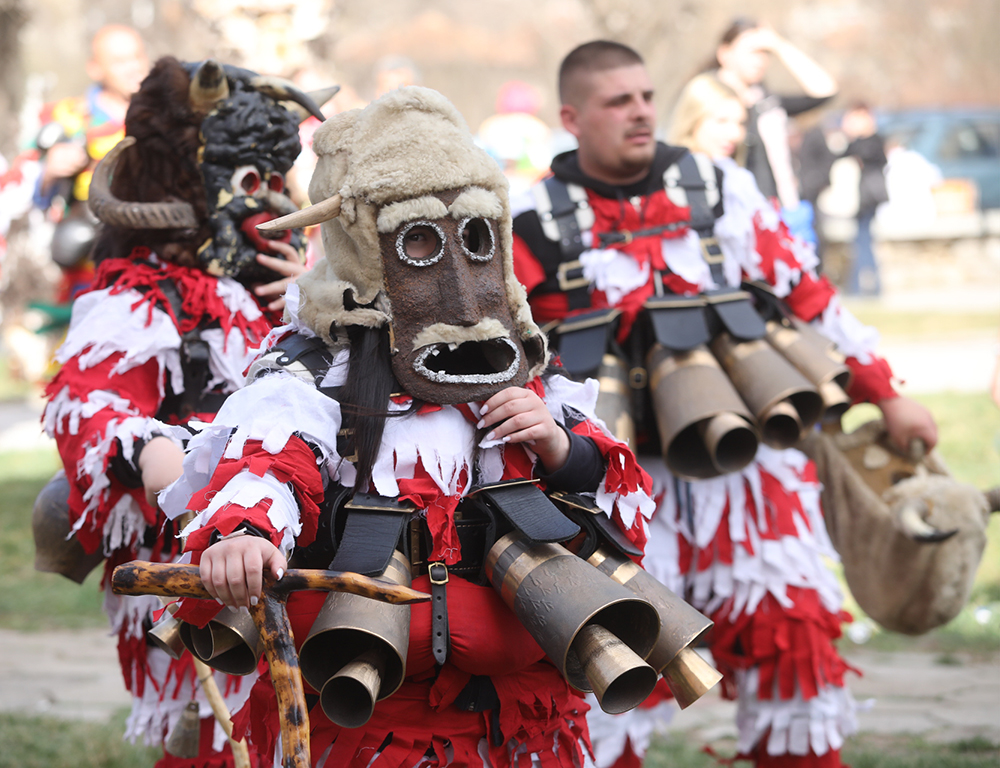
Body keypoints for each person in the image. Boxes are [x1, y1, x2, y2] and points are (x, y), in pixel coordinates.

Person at [159, 86, 659, 767]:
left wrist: (558, 444)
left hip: (522, 721)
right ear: (365, 246)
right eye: (419, 239)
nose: (455, 271)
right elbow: (269, 466)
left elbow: (617, 503)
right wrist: (243, 536)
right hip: (371, 722)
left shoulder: (522, 369)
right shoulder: (309, 378)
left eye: (474, 234)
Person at [511, 44, 938, 768]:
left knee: (791, 639)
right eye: (619, 102)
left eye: (646, 96)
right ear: (572, 118)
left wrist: (887, 394)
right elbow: (504, 347)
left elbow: (807, 296)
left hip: (751, 471)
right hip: (615, 492)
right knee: (615, 667)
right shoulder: (529, 220)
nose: (641, 111)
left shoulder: (720, 187)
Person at [40, 57, 317, 767]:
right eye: (253, 181)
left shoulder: (297, 287)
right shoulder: (140, 298)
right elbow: (95, 421)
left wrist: (321, 305)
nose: (275, 204)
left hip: (299, 557)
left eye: (280, 179)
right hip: (203, 577)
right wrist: (222, 506)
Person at [33, 24, 150, 303]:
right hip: (91, 270)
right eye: (120, 61)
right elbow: (28, 195)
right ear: (95, 68)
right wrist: (50, 172)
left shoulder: (167, 115)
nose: (133, 68)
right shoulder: (70, 118)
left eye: (138, 57)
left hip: (155, 263)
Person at [710, 18, 837, 245]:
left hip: (783, 214)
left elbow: (825, 91)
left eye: (764, 53)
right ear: (725, 53)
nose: (760, 60)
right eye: (752, 51)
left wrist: (779, 45)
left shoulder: (767, 103)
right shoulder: (708, 101)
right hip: (737, 224)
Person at [840, 101, 888, 296]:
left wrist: (854, 135)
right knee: (861, 240)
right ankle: (862, 286)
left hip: (867, 198)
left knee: (863, 241)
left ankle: (864, 287)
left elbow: (865, 156)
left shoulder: (872, 140)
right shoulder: (860, 142)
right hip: (860, 198)